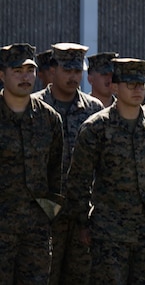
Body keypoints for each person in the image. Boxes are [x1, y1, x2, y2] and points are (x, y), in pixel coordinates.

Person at [65, 57, 145, 285]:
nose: (138, 90)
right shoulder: (96, 128)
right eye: (131, 84)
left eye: (142, 84)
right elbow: (79, 180)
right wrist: (83, 223)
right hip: (109, 232)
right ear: (115, 87)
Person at [32, 42, 104, 285]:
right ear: (53, 71)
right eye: (68, 70)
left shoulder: (93, 109)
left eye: (77, 71)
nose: (74, 77)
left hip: (81, 213)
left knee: (79, 277)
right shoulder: (35, 107)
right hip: (43, 212)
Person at [0, 43, 64, 285]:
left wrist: (48, 216)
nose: (25, 77)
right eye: (17, 71)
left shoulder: (49, 119)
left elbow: (55, 173)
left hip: (35, 232)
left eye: (30, 70)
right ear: (2, 75)